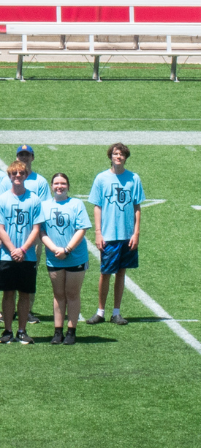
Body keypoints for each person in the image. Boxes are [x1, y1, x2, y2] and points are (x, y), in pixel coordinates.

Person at [89, 143, 143, 326]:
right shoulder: (102, 178)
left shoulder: (133, 178)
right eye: (115, 154)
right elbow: (97, 206)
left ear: (125, 157)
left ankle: (116, 312)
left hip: (127, 234)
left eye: (121, 154)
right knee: (105, 272)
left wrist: (136, 233)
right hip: (109, 234)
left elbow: (137, 206)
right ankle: (100, 311)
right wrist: (98, 233)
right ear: (110, 156)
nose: (118, 157)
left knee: (121, 272)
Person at [0, 161, 43, 345]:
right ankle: (7, 330)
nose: (17, 176)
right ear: (9, 176)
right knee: (8, 293)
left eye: (21, 173)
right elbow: (0, 228)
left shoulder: (34, 199)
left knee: (24, 293)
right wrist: (13, 249)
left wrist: (22, 249)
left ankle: (22, 330)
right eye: (14, 173)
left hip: (27, 254)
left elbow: (36, 228)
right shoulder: (2, 200)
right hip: (7, 255)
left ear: (26, 175)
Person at [40, 173, 92, 346]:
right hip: (54, 257)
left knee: (72, 294)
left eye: (63, 183)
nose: (59, 186)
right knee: (58, 294)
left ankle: (71, 330)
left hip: (75, 256)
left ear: (68, 186)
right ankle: (57, 331)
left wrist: (67, 249)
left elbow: (82, 229)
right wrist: (55, 249)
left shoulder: (76, 204)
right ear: (51, 186)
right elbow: (41, 231)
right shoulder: (45, 205)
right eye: (56, 183)